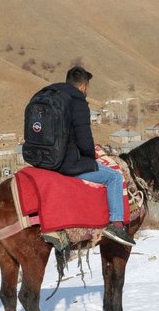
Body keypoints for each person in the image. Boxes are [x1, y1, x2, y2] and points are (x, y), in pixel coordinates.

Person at [50, 66, 136, 247]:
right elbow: (84, 139)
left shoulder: (51, 97)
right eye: (87, 88)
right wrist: (89, 157)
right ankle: (117, 225)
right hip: (67, 164)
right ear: (82, 87)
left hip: (46, 161)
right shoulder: (77, 102)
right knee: (114, 176)